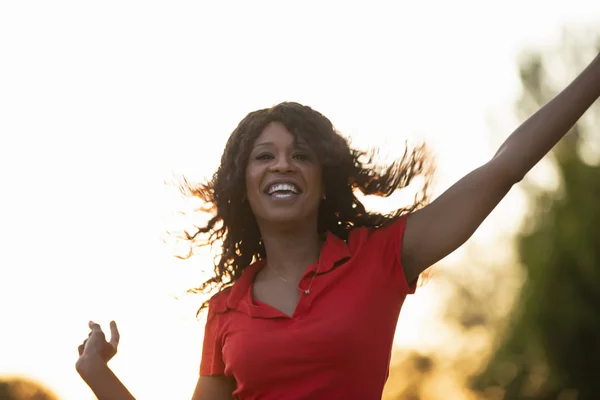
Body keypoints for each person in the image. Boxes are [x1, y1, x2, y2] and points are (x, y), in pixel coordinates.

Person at [75, 52, 600, 399]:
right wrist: (97, 374)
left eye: (300, 155)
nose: (282, 164)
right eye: (264, 157)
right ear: (243, 186)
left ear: (323, 182)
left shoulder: (383, 256)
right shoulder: (226, 310)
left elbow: (502, 170)